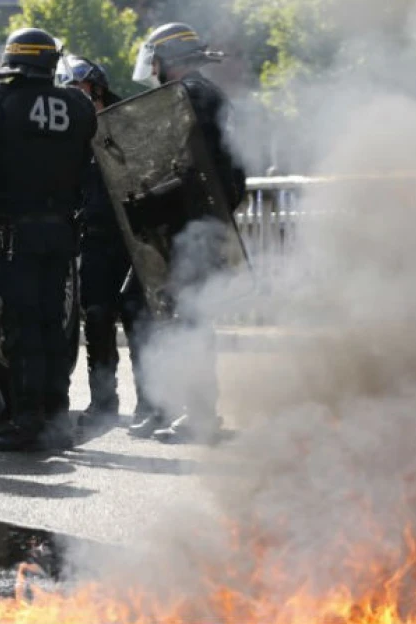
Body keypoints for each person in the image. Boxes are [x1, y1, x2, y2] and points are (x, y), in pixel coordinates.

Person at [0, 28, 97, 452]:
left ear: (13, 60)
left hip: (15, 235)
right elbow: (91, 175)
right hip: (62, 234)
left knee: (21, 327)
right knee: (55, 325)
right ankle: (57, 418)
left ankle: (27, 420)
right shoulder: (79, 105)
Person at [123, 23, 248, 444]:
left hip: (190, 227)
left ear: (168, 61)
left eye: (157, 61)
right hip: (197, 225)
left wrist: (147, 204)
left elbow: (190, 173)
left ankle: (197, 415)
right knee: (176, 312)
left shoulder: (189, 97)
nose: (153, 69)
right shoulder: (210, 96)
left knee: (190, 318)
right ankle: (175, 407)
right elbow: (234, 176)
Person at [54, 55, 159, 430]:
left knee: (137, 317)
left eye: (77, 88)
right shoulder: (69, 136)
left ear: (95, 87)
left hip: (132, 237)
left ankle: (150, 402)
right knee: (96, 318)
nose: (71, 96)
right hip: (94, 238)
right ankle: (103, 402)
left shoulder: (125, 125)